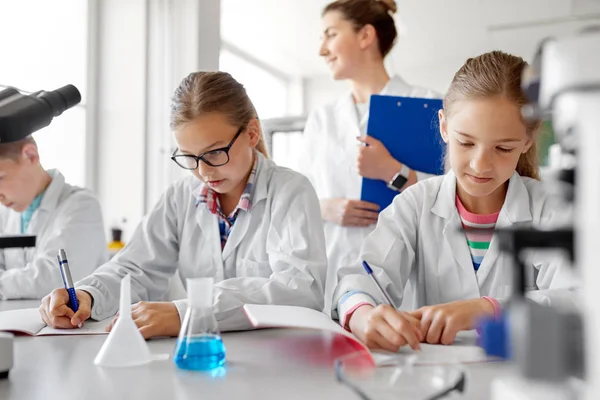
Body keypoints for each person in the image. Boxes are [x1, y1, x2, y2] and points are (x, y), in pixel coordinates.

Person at [39, 71, 327, 338]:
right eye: (189, 157)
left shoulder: (291, 192)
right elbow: (135, 268)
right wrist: (88, 295)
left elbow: (300, 289)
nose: (203, 171)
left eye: (214, 153)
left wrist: (190, 312)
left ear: (252, 133)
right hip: (200, 357)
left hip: (275, 354)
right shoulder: (181, 196)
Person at [333, 51, 577, 351]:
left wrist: (486, 309)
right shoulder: (415, 204)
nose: (480, 165)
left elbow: (579, 297)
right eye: (467, 142)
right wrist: (362, 314)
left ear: (526, 141)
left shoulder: (550, 208)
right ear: (444, 126)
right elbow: (361, 278)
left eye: (502, 148)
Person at [301, 0, 440, 311]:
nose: (322, 49)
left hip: (407, 276)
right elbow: (300, 195)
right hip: (331, 277)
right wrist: (326, 208)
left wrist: (394, 172)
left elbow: (453, 195)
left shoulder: (430, 104)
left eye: (330, 34)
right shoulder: (322, 119)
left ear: (365, 36)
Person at [0, 136, 107, 299]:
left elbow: (55, 279)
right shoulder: (5, 212)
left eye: (0, 177)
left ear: (30, 156)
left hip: (74, 322)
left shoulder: (82, 205)